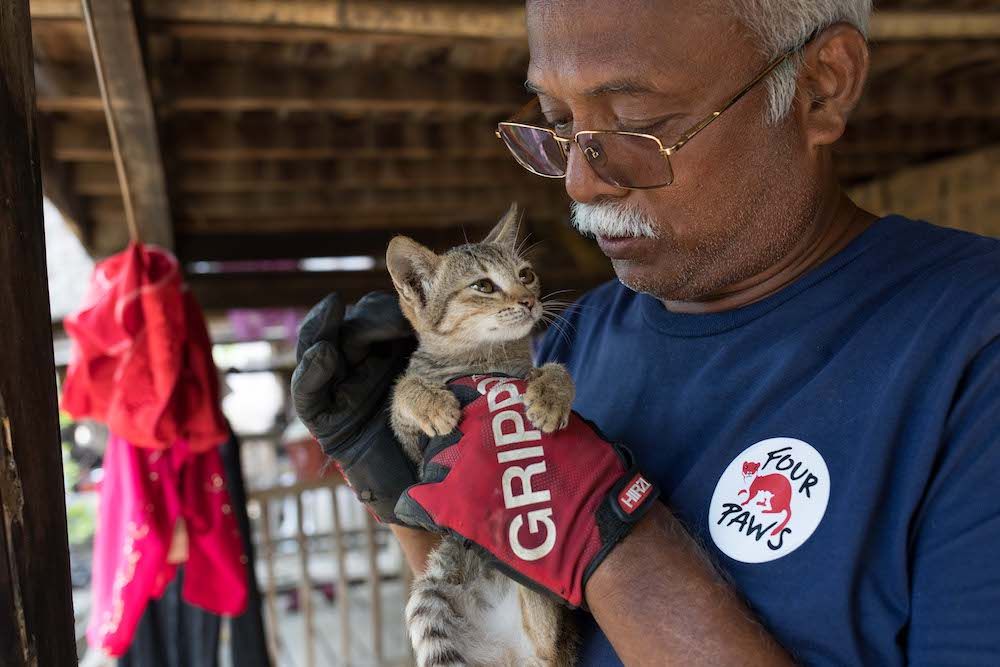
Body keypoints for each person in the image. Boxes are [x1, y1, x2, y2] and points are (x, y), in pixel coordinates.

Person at [293, 1, 1000, 664]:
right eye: (559, 121)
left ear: (822, 85)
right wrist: (400, 496)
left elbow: (580, 534)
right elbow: (510, 634)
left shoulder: (970, 349)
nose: (579, 180)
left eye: (636, 122)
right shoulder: (577, 337)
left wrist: (612, 530)